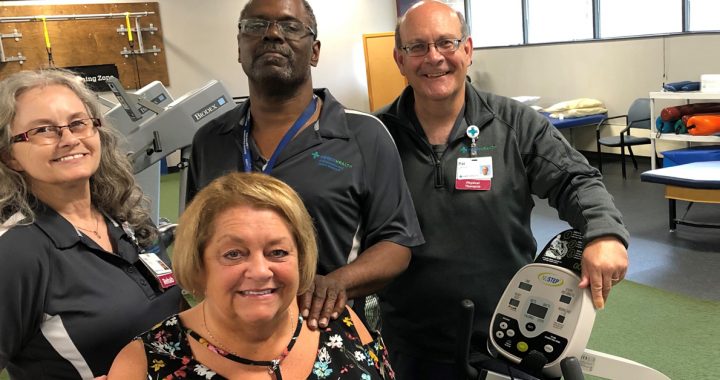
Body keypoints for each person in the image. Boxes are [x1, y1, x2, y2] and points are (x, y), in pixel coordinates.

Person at [375, 1, 630, 377]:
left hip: (508, 337)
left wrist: (604, 233)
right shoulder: (376, 136)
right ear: (399, 58)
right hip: (409, 344)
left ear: (468, 49)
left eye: (446, 43)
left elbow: (575, 178)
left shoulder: (515, 125)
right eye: (418, 47)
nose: (434, 58)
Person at [186, 0, 423, 331]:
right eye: (255, 26)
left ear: (314, 51)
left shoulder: (364, 136)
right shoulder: (210, 140)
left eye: (290, 26)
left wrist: (337, 282)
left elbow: (397, 243)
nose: (272, 34)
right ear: (239, 48)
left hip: (324, 331)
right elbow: (196, 242)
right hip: (233, 332)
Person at [108, 172, 395, 379]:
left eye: (278, 252)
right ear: (199, 263)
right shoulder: (145, 362)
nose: (259, 271)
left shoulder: (338, 322)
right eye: (234, 254)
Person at [0, 69, 184, 378]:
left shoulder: (125, 216)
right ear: (10, 156)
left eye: (78, 123)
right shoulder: (16, 251)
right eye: (44, 130)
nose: (69, 139)